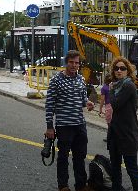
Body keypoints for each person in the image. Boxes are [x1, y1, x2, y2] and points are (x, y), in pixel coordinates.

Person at [45, 50, 94, 191]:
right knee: (63, 157)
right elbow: (49, 105)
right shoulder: (56, 80)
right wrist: (49, 127)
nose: (74, 65)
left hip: (80, 125)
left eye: (77, 63)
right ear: (66, 62)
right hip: (64, 126)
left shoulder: (81, 79)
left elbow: (82, 99)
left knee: (80, 156)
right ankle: (63, 185)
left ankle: (80, 184)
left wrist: (87, 103)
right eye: (71, 62)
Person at [107, 56, 138, 191]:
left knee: (131, 169)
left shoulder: (128, 86)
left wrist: (110, 90)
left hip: (127, 135)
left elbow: (115, 104)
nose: (119, 71)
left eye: (122, 68)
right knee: (115, 168)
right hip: (115, 134)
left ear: (128, 71)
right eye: (116, 68)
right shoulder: (117, 86)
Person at [99, 74, 112, 142]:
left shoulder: (104, 88)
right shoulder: (113, 86)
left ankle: (109, 137)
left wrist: (100, 109)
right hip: (114, 105)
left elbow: (102, 100)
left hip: (108, 106)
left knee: (109, 123)